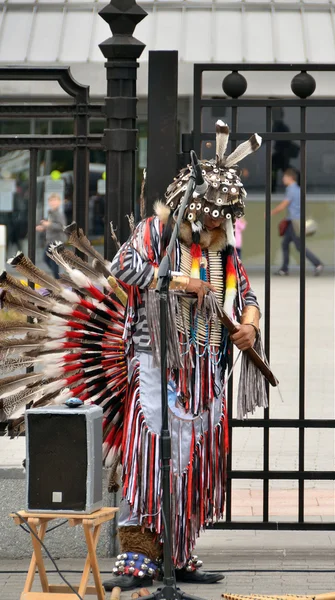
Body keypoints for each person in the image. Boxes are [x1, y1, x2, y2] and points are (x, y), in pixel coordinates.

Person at [0, 121, 268, 594]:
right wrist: (182, 282)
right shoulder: (155, 234)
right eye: (209, 220)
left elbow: (245, 294)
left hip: (206, 375)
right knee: (150, 459)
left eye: (221, 222)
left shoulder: (224, 255)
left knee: (191, 461)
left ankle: (179, 553)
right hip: (156, 367)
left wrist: (249, 325)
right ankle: (138, 557)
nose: (215, 228)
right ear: (192, 210)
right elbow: (125, 266)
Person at [271, 168, 323, 276]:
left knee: (299, 246)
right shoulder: (297, 189)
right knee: (285, 244)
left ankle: (317, 264)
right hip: (293, 221)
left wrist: (271, 212)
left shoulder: (292, 189)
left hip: (295, 222)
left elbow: (285, 204)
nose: (283, 179)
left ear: (290, 178)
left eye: (284, 177)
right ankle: (284, 269)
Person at [36, 193, 66, 279]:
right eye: (51, 201)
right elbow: (52, 226)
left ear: (59, 202)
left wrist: (49, 224)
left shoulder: (58, 214)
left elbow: (61, 226)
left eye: (55, 201)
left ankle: (58, 278)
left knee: (52, 261)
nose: (53, 203)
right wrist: (43, 227)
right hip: (51, 241)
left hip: (56, 241)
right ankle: (58, 277)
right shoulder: (51, 213)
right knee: (47, 259)